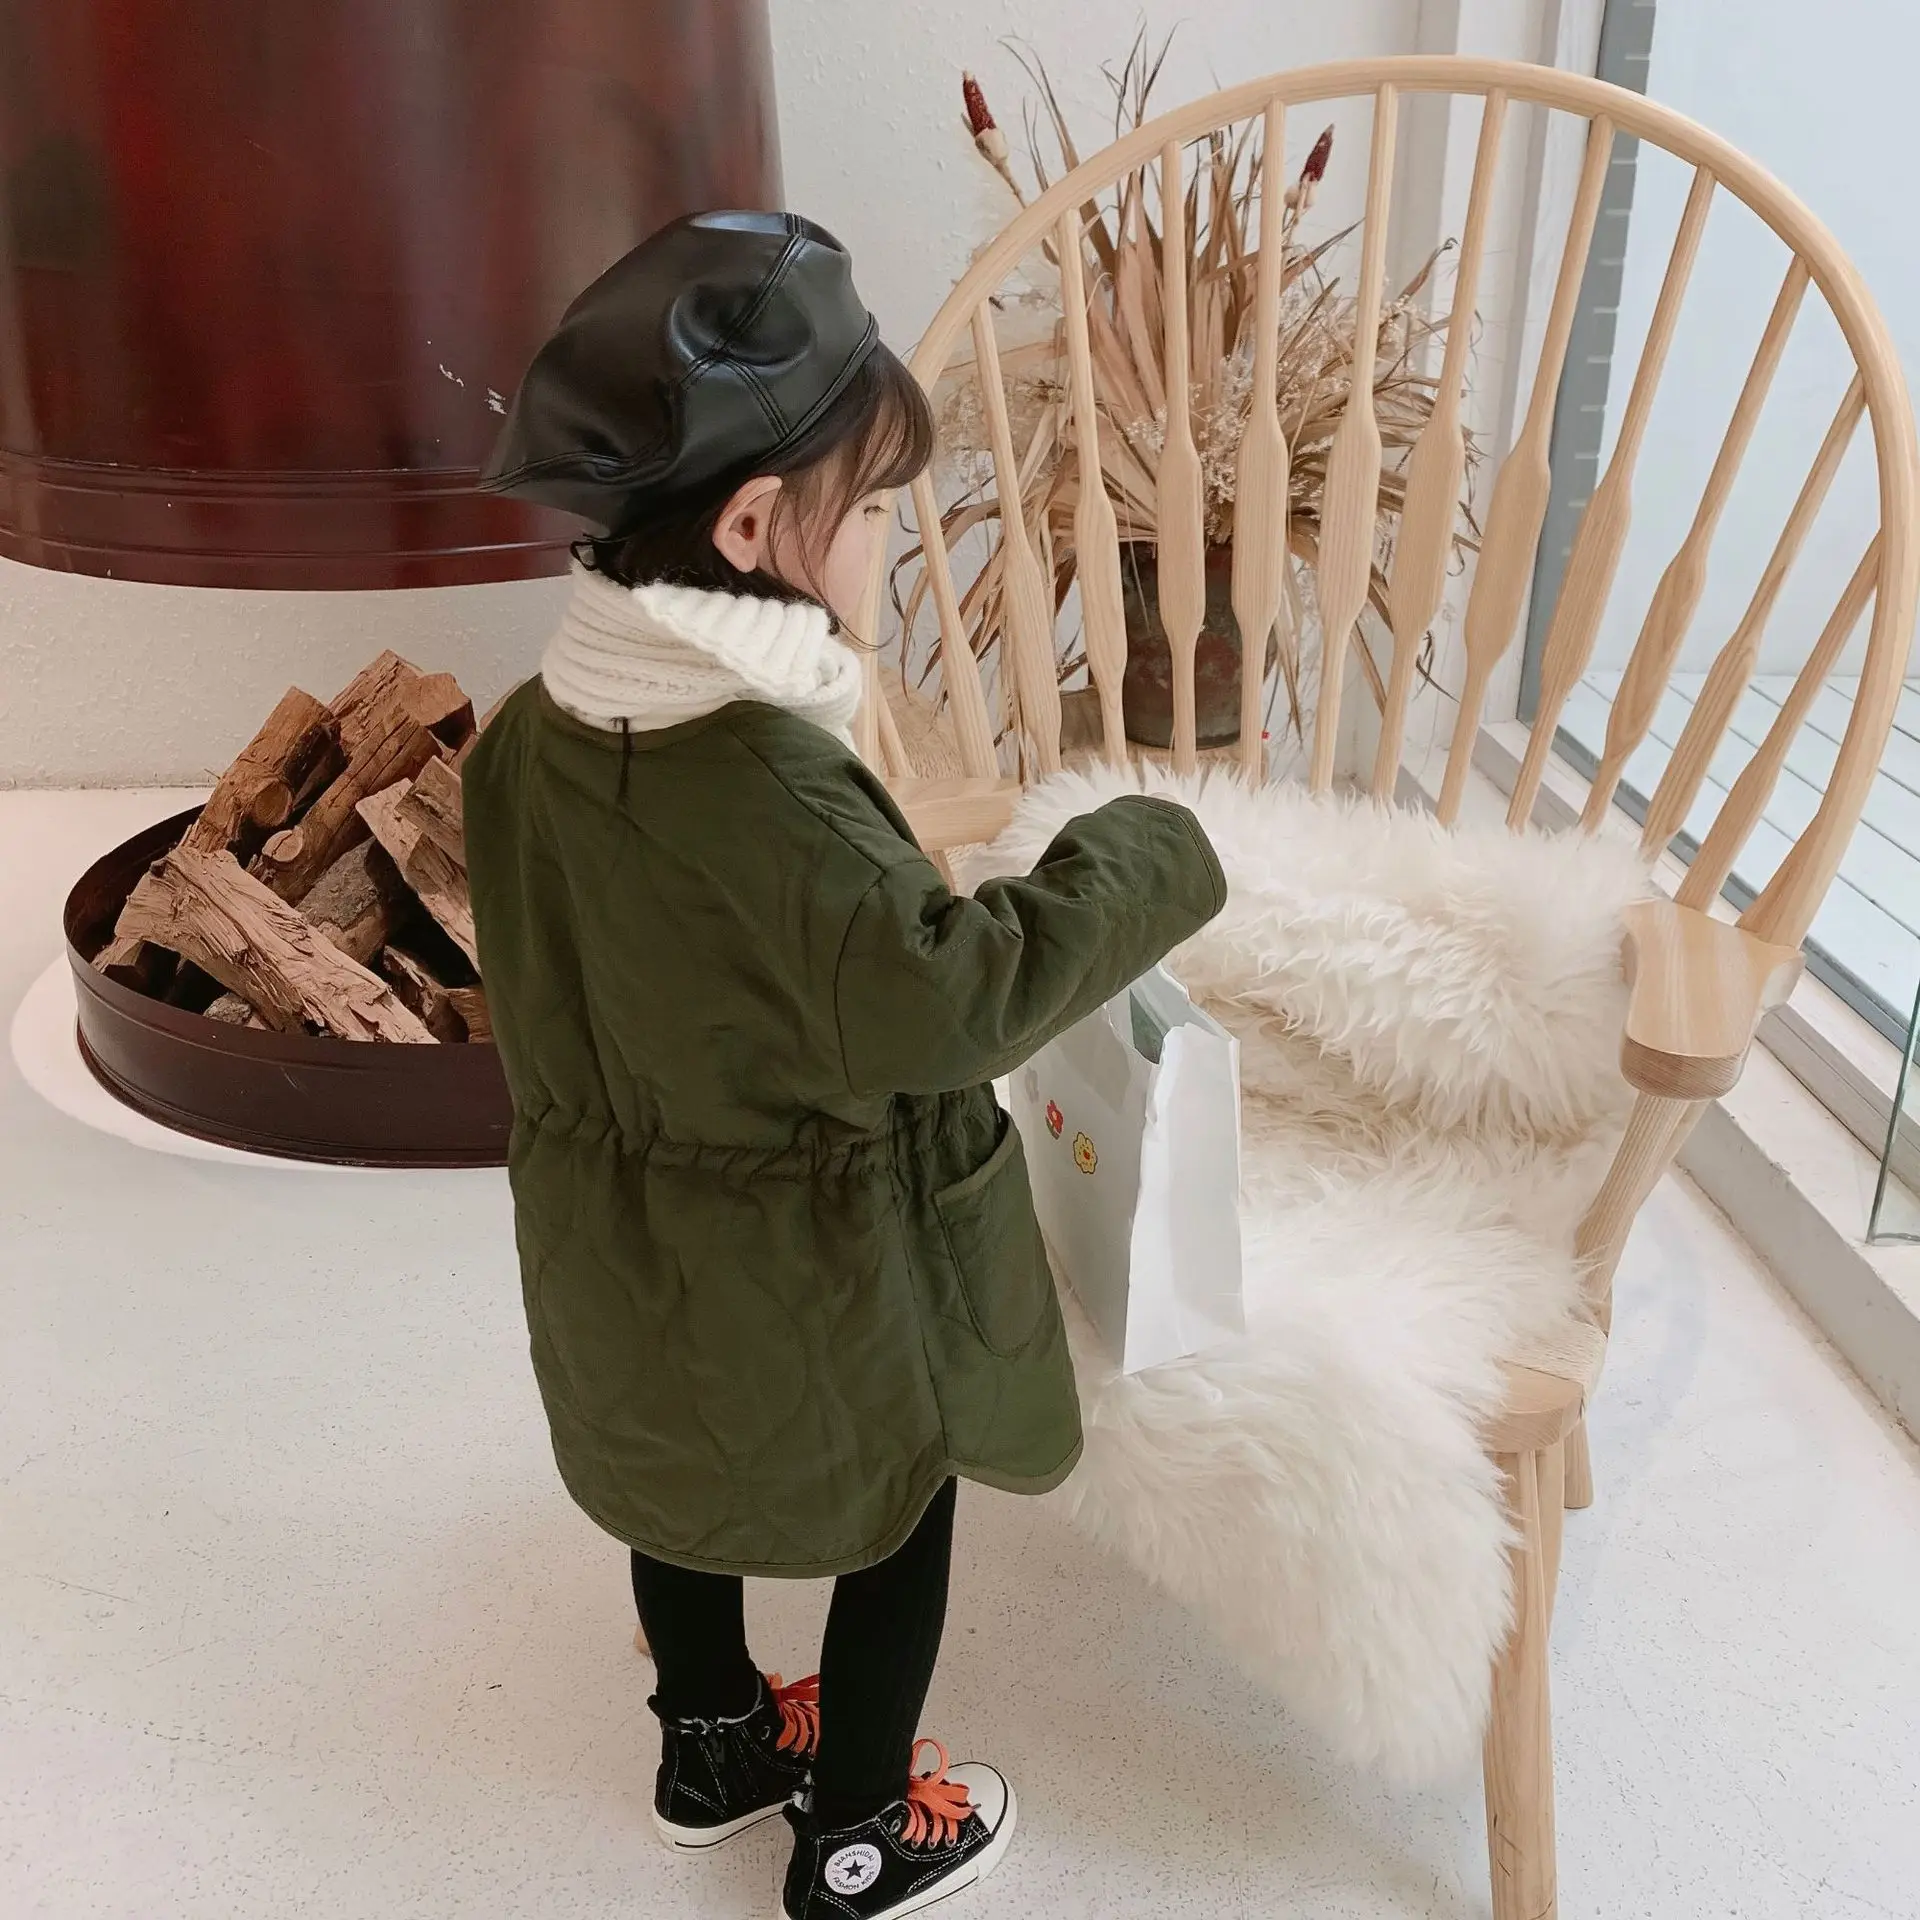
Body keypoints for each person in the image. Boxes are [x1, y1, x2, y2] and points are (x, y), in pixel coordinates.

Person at [463, 209, 1225, 1920]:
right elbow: (951, 1002)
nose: (891, 540)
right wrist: (1140, 850)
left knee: (675, 1475)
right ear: (753, 529)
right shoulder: (776, 790)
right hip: (815, 1263)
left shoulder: (528, 740)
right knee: (898, 1505)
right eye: (873, 510)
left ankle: (714, 1745)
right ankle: (865, 1832)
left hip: (612, 1236)